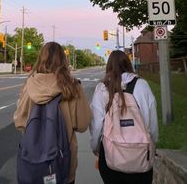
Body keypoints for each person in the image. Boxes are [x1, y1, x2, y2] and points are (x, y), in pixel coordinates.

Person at [14, 41, 91, 184]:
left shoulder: (29, 84)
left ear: (41, 58)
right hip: (63, 161)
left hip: (32, 161)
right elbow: (83, 125)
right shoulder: (73, 86)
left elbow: (19, 122)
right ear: (63, 60)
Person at [90, 50, 158, 184]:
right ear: (128, 64)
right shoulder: (142, 85)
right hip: (140, 154)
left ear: (108, 66)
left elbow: (97, 125)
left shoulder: (102, 88)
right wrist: (153, 143)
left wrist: (95, 147)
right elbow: (152, 122)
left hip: (111, 156)